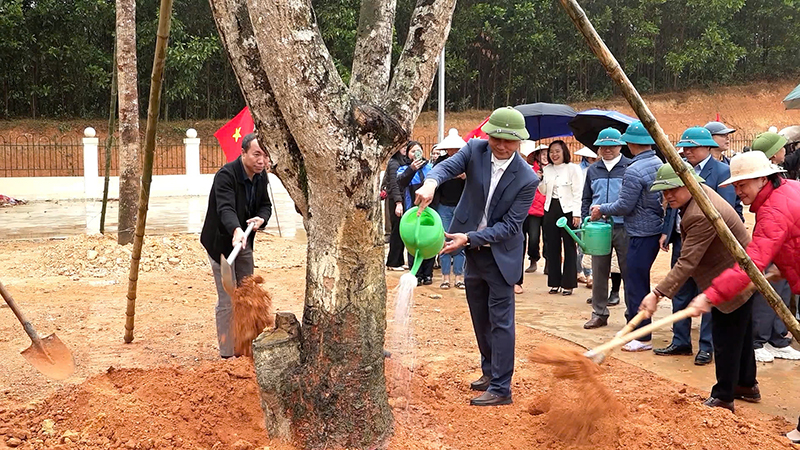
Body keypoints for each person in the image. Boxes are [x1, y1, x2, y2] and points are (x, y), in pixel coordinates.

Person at [415, 106, 538, 406]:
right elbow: (445, 167)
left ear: (519, 142)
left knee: (501, 321)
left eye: (510, 141)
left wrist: (469, 238)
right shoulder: (475, 149)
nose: (502, 145)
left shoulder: (527, 178)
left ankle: (501, 388)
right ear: (488, 134)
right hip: (472, 252)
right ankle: (489, 371)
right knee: (479, 316)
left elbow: (509, 227)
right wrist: (431, 183)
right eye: (497, 137)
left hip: (500, 256)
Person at [690, 151, 800, 419]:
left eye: (743, 184)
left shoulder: (774, 209)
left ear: (763, 179)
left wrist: (711, 295)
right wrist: (782, 266)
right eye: (736, 185)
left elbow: (751, 264)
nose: (738, 191)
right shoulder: (789, 189)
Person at [641, 162, 755, 413]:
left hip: (733, 276)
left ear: (688, 184)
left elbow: (687, 261)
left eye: (673, 189)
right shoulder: (698, 197)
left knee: (726, 337)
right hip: (738, 273)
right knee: (741, 334)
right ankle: (747, 384)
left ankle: (724, 396)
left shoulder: (700, 213)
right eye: (664, 191)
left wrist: (657, 293)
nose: (668, 195)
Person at [654, 126, 742, 366]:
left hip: (710, 244)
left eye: (693, 147)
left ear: (708, 147)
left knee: (707, 295)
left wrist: (655, 294)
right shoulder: (677, 167)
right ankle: (680, 340)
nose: (688, 151)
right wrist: (667, 231)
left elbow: (727, 210)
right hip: (685, 238)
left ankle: (706, 347)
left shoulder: (722, 171)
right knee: (681, 292)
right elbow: (674, 207)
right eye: (685, 147)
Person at [591, 120, 663, 352]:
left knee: (635, 284)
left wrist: (602, 208)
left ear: (630, 144)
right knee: (638, 280)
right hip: (654, 228)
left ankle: (641, 336)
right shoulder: (657, 163)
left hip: (639, 231)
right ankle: (639, 330)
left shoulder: (633, 169)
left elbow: (624, 205)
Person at [200, 133, 272, 359]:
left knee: (248, 293)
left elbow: (265, 205)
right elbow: (225, 209)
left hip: (243, 242)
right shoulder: (226, 176)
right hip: (221, 243)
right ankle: (228, 353)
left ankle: (247, 345)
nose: (262, 160)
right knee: (228, 298)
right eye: (256, 154)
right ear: (243, 153)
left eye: (265, 155)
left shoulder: (261, 177)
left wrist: (261, 218)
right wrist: (236, 229)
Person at [747, 132, 800, 362]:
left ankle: (778, 338)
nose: (786, 151)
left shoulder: (782, 175)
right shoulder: (761, 177)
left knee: (783, 288)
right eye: (782, 148)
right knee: (766, 292)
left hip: (787, 243)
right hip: (771, 239)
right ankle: (758, 339)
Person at [581, 128, 631, 329]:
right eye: (603, 146)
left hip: (624, 226)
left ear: (620, 146)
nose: (607, 149)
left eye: (612, 145)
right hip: (599, 228)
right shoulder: (593, 170)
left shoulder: (629, 167)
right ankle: (599, 312)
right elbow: (586, 198)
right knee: (599, 271)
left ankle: (632, 314)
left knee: (629, 271)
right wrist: (587, 220)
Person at [539, 140, 584, 295]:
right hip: (551, 209)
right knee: (552, 246)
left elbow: (578, 192)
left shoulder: (573, 168)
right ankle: (554, 282)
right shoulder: (547, 169)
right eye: (551, 152)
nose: (554, 154)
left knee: (570, 247)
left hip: (568, 210)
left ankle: (568, 283)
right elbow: (544, 192)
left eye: (557, 151)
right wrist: (540, 179)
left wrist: (577, 214)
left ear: (564, 151)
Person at [432, 129, 467, 290]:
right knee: (444, 241)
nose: (454, 151)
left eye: (456, 149)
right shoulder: (440, 162)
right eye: (451, 148)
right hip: (443, 206)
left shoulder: (467, 162)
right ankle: (445, 277)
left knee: (460, 241)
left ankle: (459, 276)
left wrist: (466, 177)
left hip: (461, 206)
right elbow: (434, 180)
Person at [397, 142, 435, 285]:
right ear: (407, 154)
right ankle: (416, 273)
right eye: (412, 151)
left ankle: (427, 273)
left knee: (429, 240)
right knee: (414, 242)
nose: (416, 153)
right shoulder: (403, 169)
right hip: (412, 211)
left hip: (430, 211)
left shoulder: (431, 168)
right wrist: (411, 169)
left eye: (418, 150)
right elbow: (400, 182)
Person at [383, 141, 413, 271]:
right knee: (396, 232)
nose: (404, 149)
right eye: (402, 147)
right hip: (396, 200)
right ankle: (393, 262)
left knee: (401, 231)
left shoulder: (404, 162)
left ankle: (399, 261)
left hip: (404, 199)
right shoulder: (393, 163)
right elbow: (394, 184)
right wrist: (398, 203)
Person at [575, 146, 598, 287]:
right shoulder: (580, 170)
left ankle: (590, 273)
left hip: (594, 211)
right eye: (592, 158)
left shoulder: (596, 171)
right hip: (581, 209)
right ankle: (583, 272)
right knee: (582, 245)